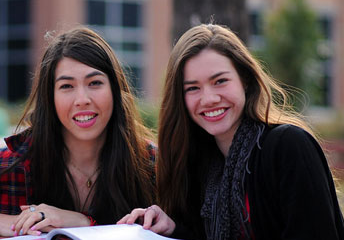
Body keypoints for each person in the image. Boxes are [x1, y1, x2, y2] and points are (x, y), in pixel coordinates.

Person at [0, 26, 156, 236]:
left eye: (95, 83)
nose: (82, 99)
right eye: (67, 86)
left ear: (115, 90)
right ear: (50, 98)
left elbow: (188, 222)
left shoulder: (150, 163)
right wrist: (2, 222)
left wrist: (82, 223)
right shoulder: (14, 163)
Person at [118, 24, 344, 240]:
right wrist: (172, 228)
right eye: (193, 88)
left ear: (245, 80)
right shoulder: (200, 166)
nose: (209, 99)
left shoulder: (288, 146)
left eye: (220, 81)